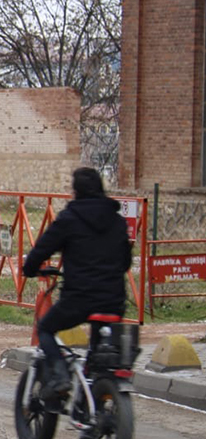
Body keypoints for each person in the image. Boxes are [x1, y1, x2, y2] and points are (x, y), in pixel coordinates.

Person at [22, 167, 131, 408]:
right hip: (114, 301)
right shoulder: (117, 221)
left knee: (46, 328)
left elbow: (42, 248)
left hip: (79, 299)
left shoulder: (69, 219)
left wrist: (29, 268)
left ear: (76, 191)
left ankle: (61, 375)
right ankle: (90, 401)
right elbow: (126, 262)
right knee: (99, 355)